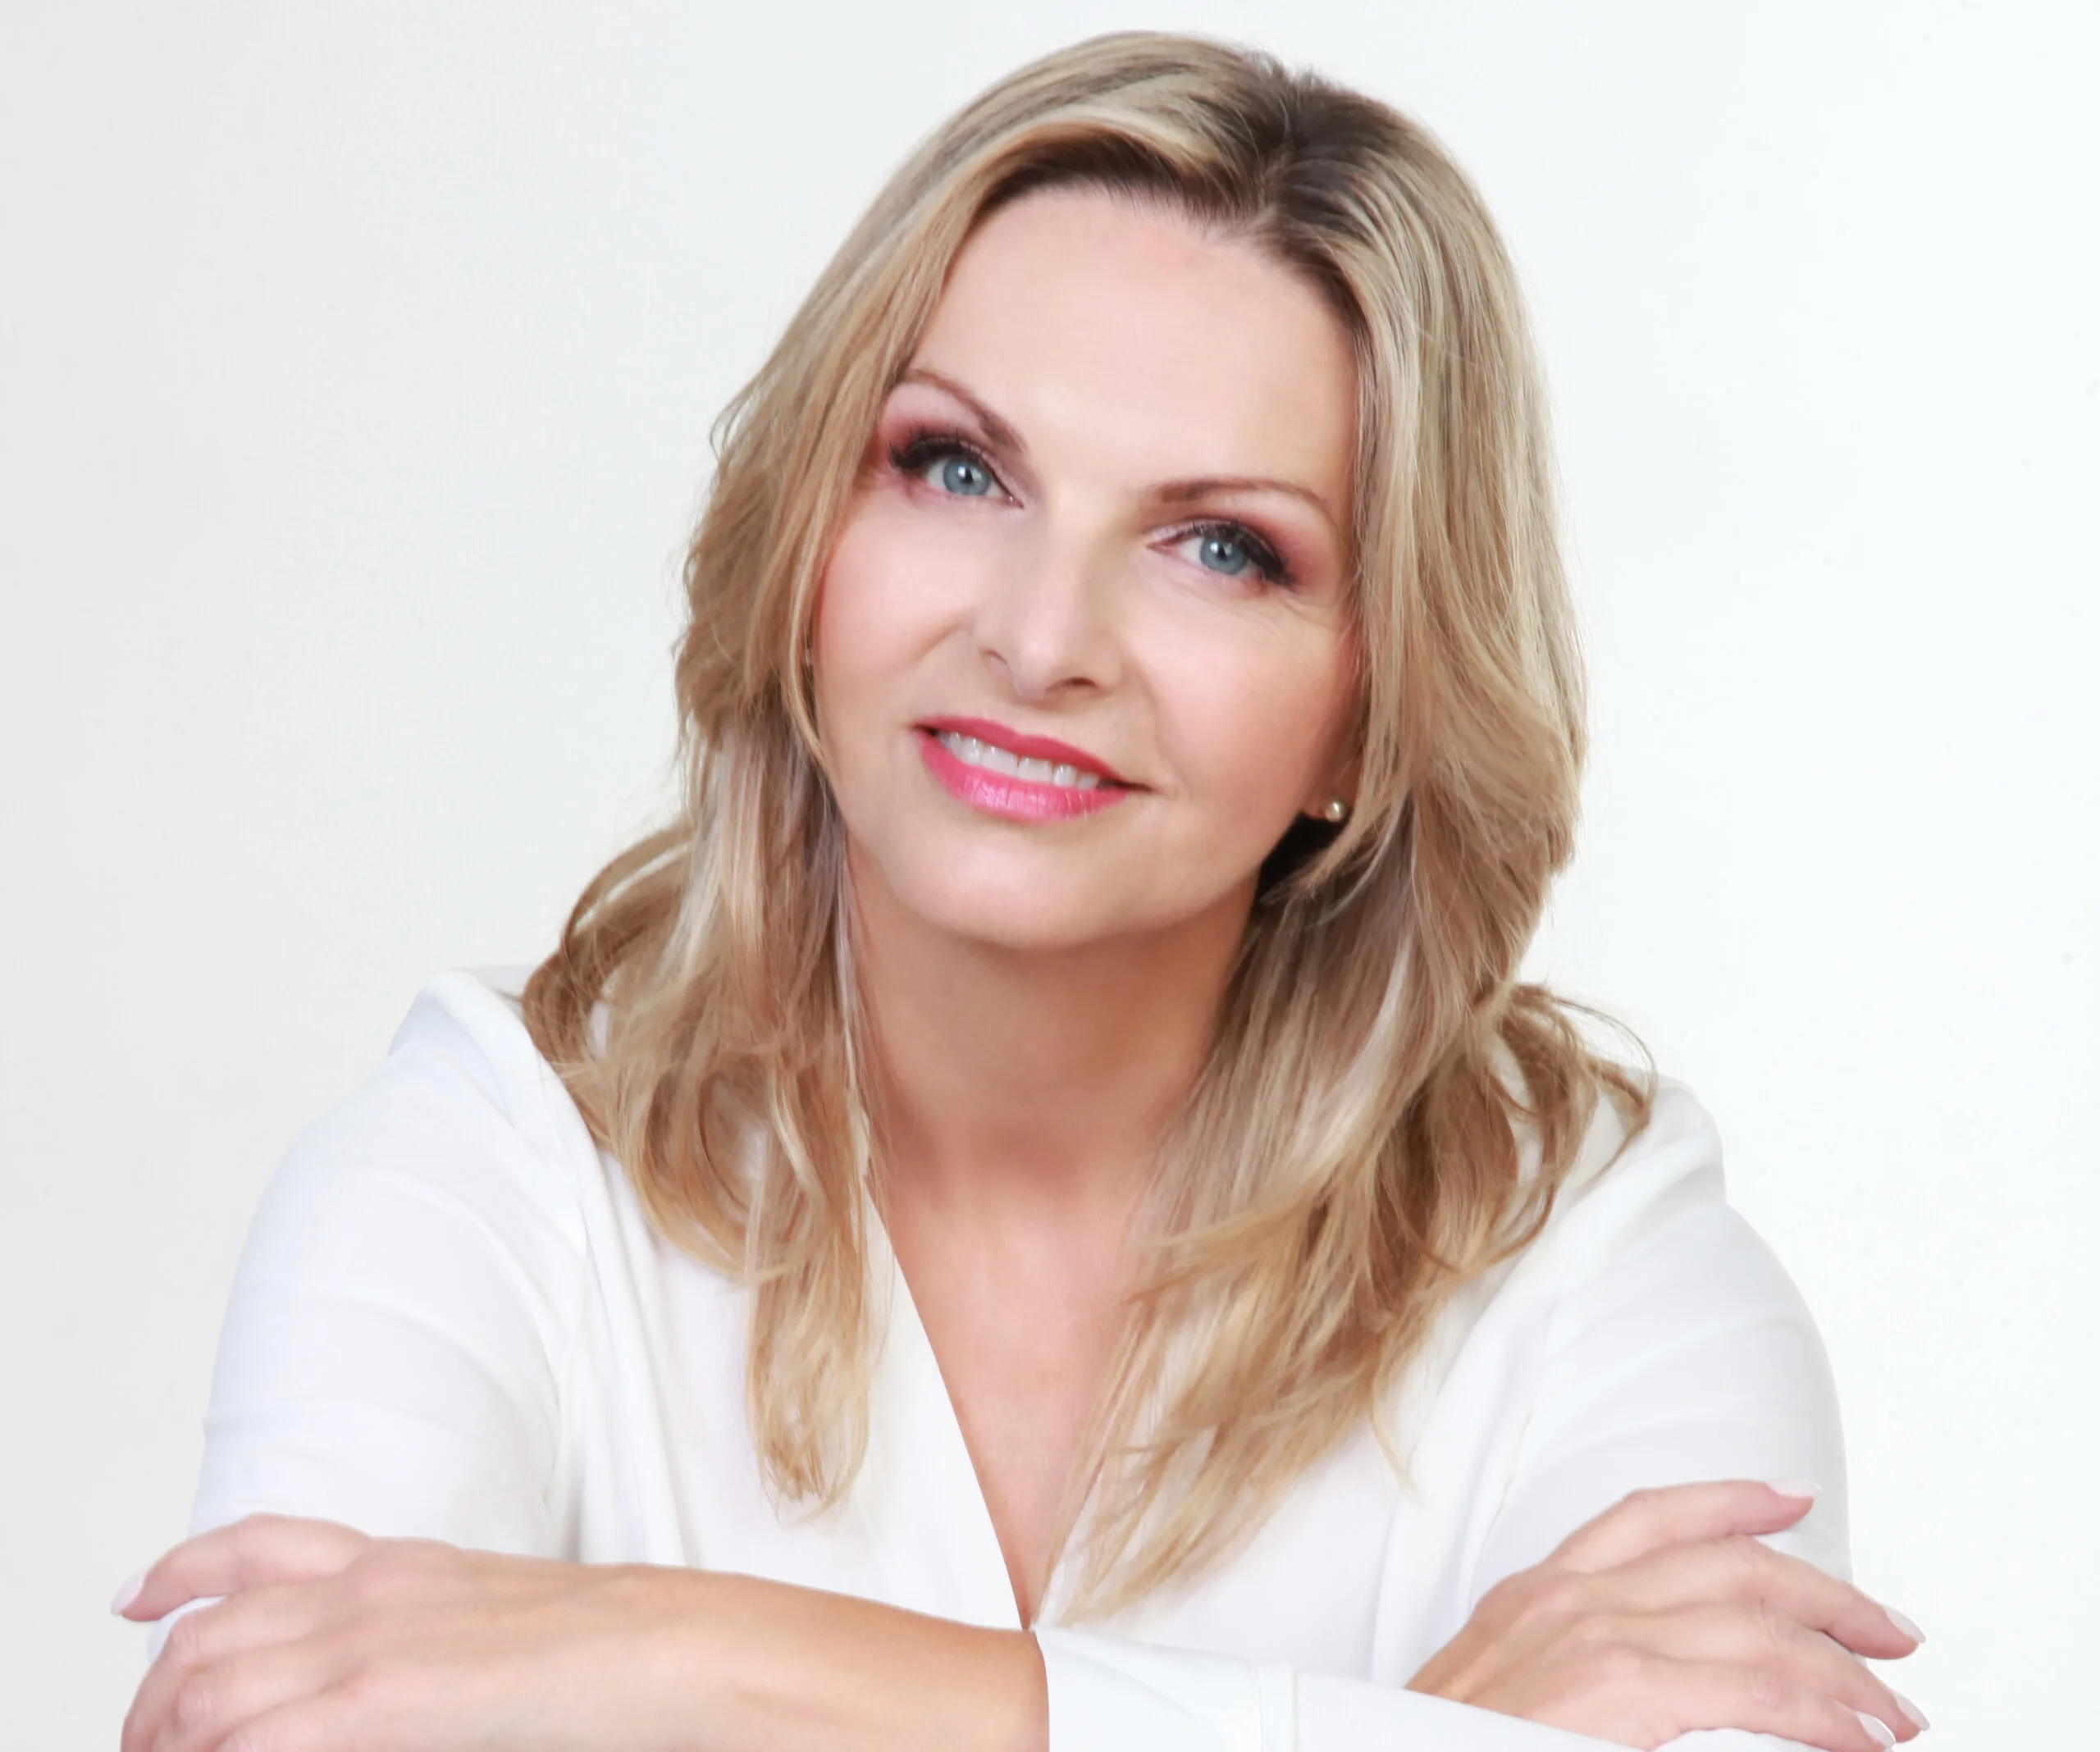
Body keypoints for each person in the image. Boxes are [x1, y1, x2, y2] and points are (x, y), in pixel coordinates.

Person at [115, 32, 1928, 1752]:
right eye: (956, 467)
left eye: (1222, 548)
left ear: (1373, 711)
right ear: (808, 542)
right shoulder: (496, 1164)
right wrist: (1418, 1730)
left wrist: (672, 1655)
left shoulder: (1583, 1254)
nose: (1040, 636)